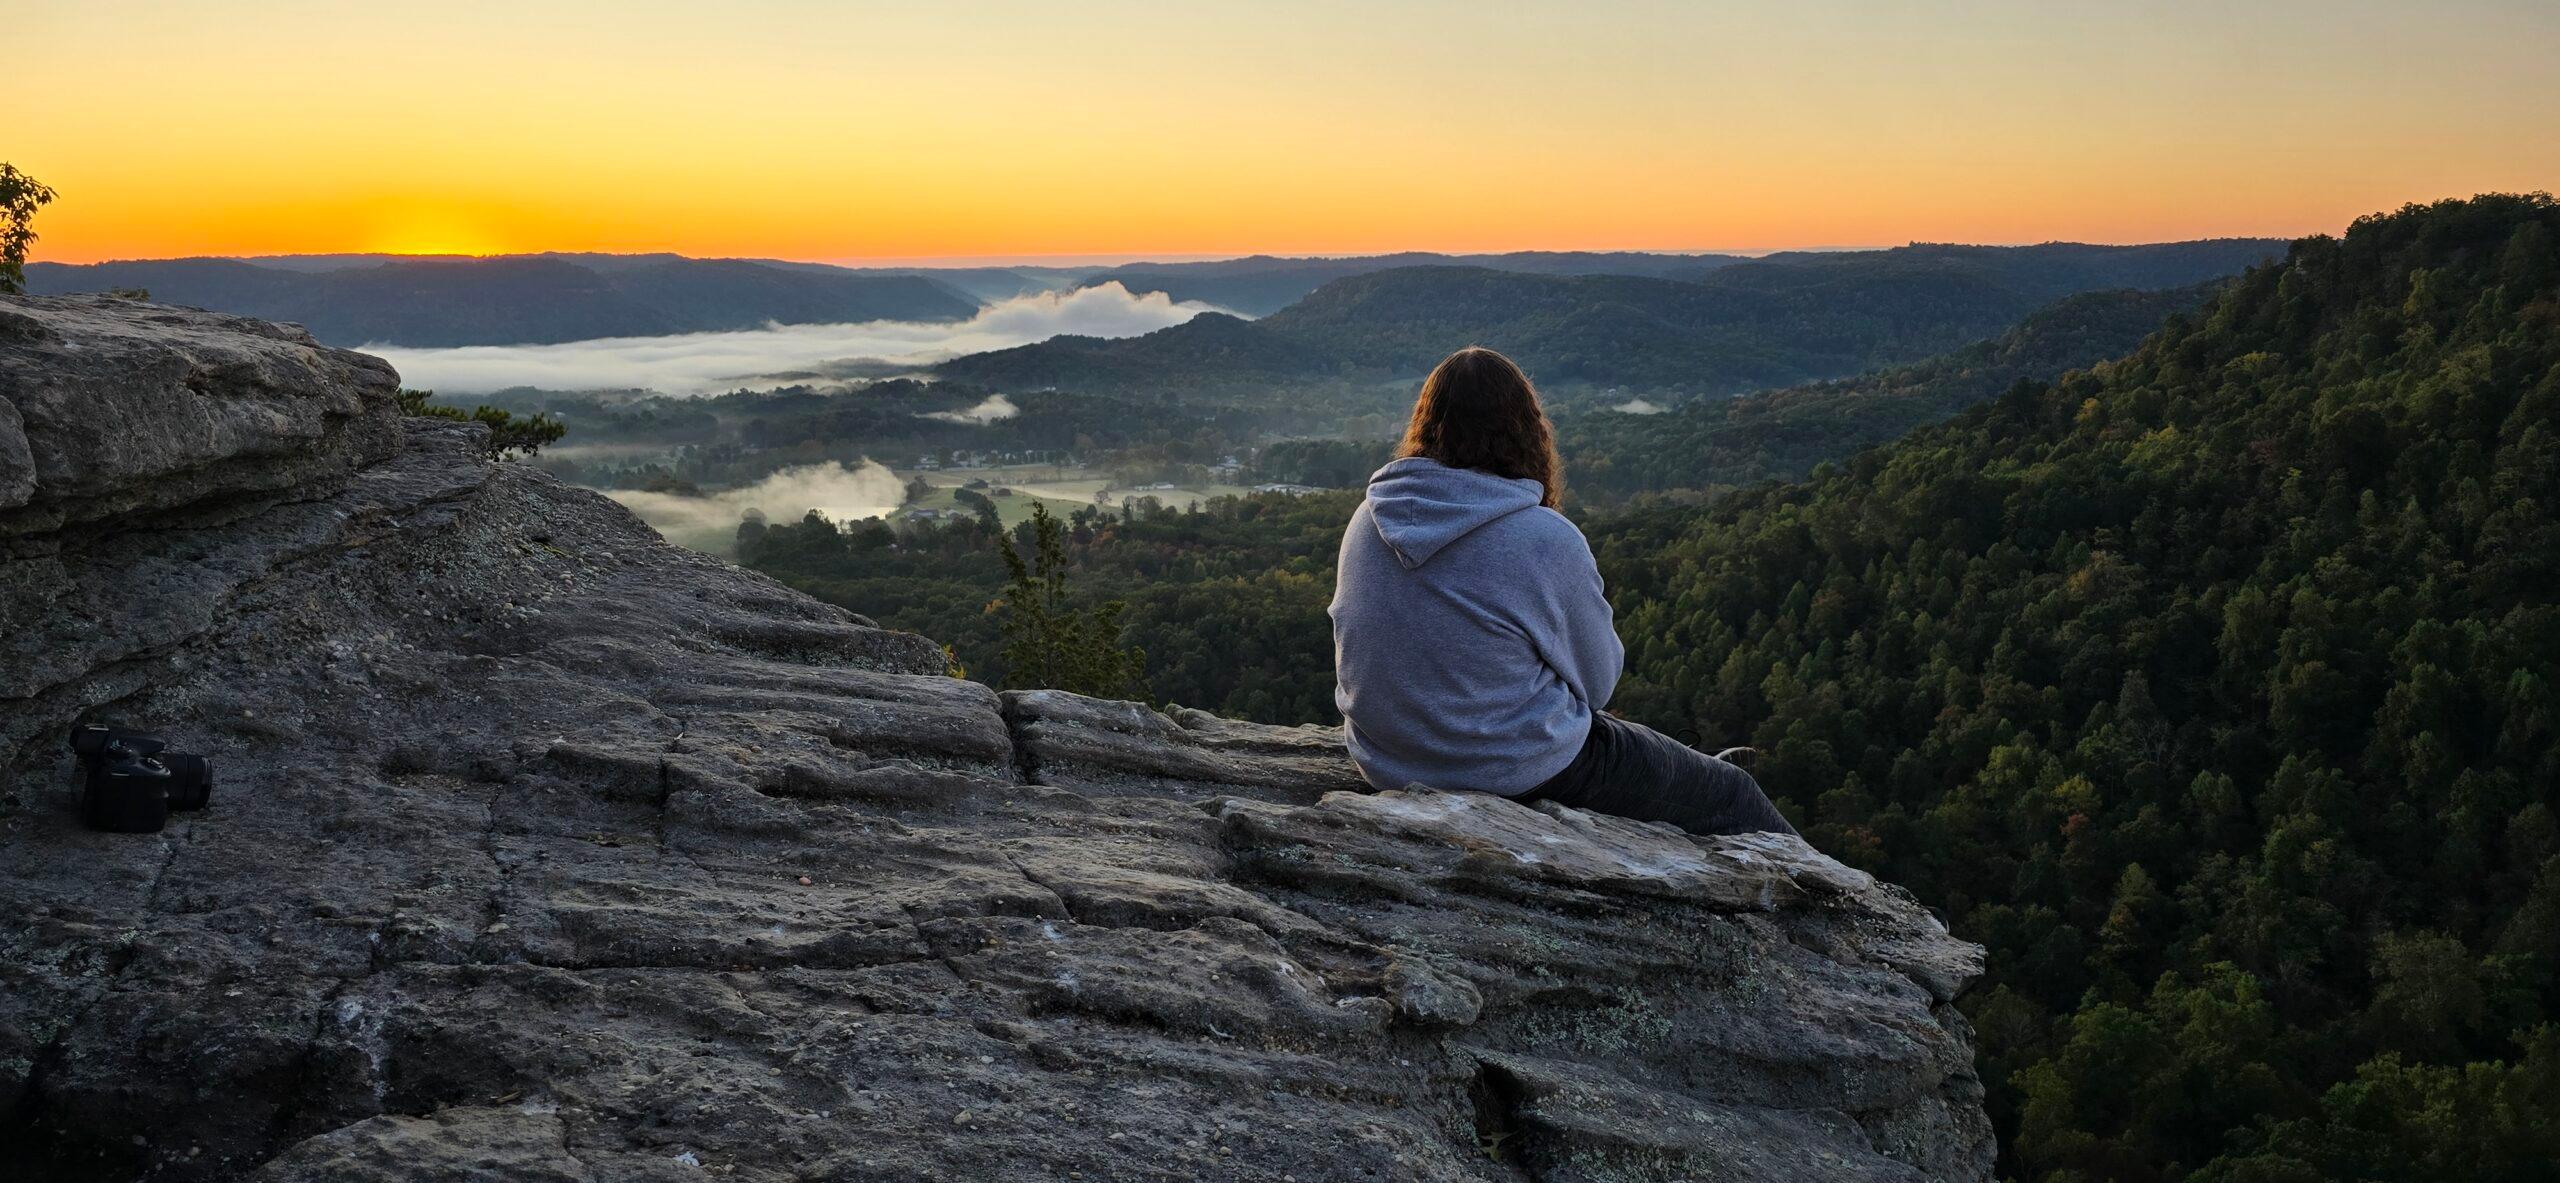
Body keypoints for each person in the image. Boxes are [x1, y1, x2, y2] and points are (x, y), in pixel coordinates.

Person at [1328, 346, 1798, 838]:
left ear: (1425, 422)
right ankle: (1848, 901)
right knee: (1733, 791)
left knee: (1650, 753)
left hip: (1386, 760)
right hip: (1512, 770)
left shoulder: (1370, 516)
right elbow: (1597, 686)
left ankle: (1691, 770)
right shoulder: (1543, 538)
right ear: (1526, 428)